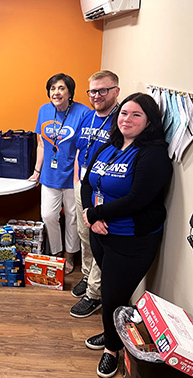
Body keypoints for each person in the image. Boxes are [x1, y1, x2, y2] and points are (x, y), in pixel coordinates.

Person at [81, 93, 172, 378]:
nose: (126, 120)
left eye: (136, 115)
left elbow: (138, 199)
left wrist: (96, 215)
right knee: (114, 293)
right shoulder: (109, 146)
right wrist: (90, 215)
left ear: (149, 122)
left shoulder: (153, 154)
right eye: (123, 114)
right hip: (101, 234)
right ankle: (114, 334)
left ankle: (112, 349)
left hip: (132, 239)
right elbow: (87, 182)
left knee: (111, 294)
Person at [70, 70, 120, 318]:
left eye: (103, 90)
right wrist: (78, 181)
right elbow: (80, 150)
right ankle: (88, 275)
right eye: (92, 91)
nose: (97, 95)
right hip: (83, 185)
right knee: (84, 233)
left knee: (98, 238)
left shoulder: (120, 120)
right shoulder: (88, 117)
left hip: (102, 191)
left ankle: (95, 293)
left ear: (116, 91)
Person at [28, 73, 90, 274]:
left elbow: (85, 147)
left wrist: (80, 175)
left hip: (73, 176)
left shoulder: (83, 112)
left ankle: (70, 255)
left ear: (70, 92)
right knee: (48, 215)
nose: (56, 92)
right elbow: (41, 144)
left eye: (61, 88)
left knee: (72, 216)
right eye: (53, 88)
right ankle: (56, 252)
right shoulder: (44, 110)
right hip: (50, 175)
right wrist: (37, 171)